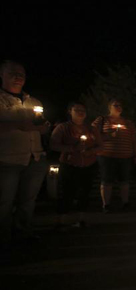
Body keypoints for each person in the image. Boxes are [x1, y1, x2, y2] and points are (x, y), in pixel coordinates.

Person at [0, 60, 50, 246]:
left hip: (34, 157)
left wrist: (44, 127)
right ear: (2, 74)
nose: (18, 77)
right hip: (6, 159)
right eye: (13, 73)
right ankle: (3, 238)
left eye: (21, 74)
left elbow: (40, 123)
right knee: (4, 203)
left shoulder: (33, 101)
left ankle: (22, 232)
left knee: (28, 201)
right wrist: (19, 126)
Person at [50, 102, 102, 230]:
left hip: (88, 165)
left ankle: (81, 219)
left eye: (83, 109)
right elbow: (53, 144)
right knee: (67, 192)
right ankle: (61, 220)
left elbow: (101, 145)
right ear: (70, 111)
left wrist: (90, 151)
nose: (80, 112)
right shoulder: (63, 128)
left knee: (85, 192)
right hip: (70, 164)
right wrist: (72, 148)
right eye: (77, 109)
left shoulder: (91, 129)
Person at [92, 98, 136, 213]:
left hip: (125, 157)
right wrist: (109, 136)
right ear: (110, 107)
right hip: (107, 156)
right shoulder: (102, 120)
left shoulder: (128, 123)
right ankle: (106, 205)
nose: (119, 107)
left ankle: (125, 203)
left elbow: (134, 140)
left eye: (120, 105)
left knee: (124, 180)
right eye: (116, 105)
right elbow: (93, 135)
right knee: (107, 180)